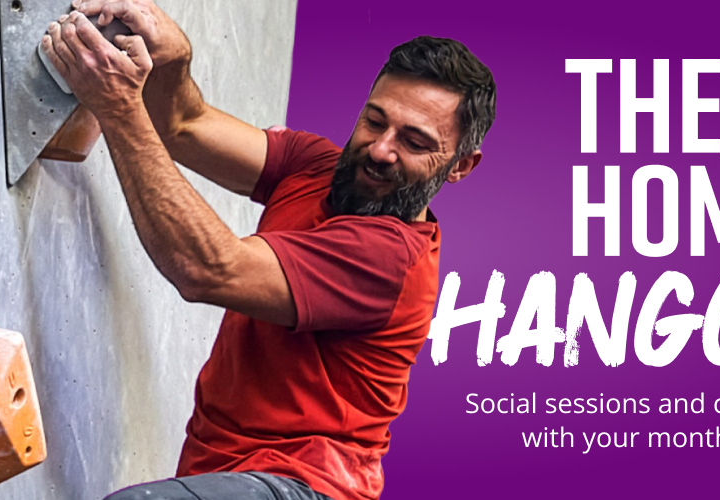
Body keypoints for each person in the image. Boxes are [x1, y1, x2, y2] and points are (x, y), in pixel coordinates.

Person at [41, 2, 495, 499]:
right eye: (374, 121)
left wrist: (118, 107)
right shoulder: (319, 167)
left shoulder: (389, 261)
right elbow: (185, 126)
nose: (381, 150)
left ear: (459, 166)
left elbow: (208, 269)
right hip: (226, 470)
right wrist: (174, 60)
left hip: (307, 487)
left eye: (413, 141)